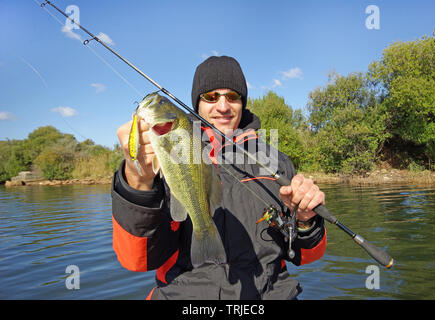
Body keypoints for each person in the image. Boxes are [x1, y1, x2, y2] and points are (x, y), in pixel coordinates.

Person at [112, 56, 327, 300]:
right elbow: (137, 260)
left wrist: (306, 219)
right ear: (197, 104)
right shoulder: (163, 156)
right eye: (211, 97)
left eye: (233, 96)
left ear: (242, 102)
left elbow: (306, 256)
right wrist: (137, 181)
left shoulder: (277, 162)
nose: (223, 106)